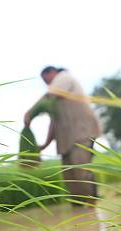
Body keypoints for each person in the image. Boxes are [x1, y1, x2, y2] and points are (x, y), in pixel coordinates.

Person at [24, 66, 101, 205]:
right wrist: (45, 145)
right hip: (67, 139)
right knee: (69, 176)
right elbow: (54, 124)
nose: (46, 84)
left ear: (52, 72)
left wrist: (30, 113)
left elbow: (52, 93)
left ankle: (92, 209)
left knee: (81, 170)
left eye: (45, 79)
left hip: (81, 132)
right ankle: (79, 213)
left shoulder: (64, 77)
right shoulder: (55, 102)